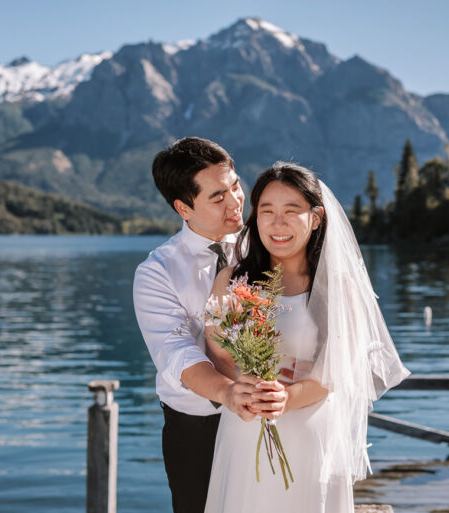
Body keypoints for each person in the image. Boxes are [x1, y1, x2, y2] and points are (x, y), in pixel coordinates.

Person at [203, 162, 410, 513]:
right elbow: (218, 348)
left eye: (291, 211)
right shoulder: (232, 280)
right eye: (267, 211)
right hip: (246, 424)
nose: (277, 223)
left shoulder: (339, 289)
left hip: (309, 430)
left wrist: (286, 397)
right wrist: (246, 383)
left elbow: (339, 371)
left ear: (315, 218)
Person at [133, 137, 286, 513]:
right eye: (218, 197)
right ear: (184, 207)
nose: (236, 202)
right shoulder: (157, 272)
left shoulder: (269, 244)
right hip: (196, 432)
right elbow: (177, 356)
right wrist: (231, 393)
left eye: (235, 185)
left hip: (274, 415)